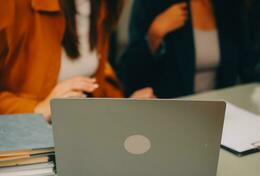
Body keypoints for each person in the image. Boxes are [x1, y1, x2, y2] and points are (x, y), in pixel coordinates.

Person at [0, 0, 155, 121]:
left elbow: (96, 81)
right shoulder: (11, 5)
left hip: (76, 130)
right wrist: (36, 110)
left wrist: (124, 107)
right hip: (26, 146)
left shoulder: (103, 6)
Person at [117, 0, 260, 98]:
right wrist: (154, 34)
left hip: (220, 111)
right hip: (170, 112)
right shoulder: (152, 4)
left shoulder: (230, 6)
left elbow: (247, 61)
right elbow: (130, 73)